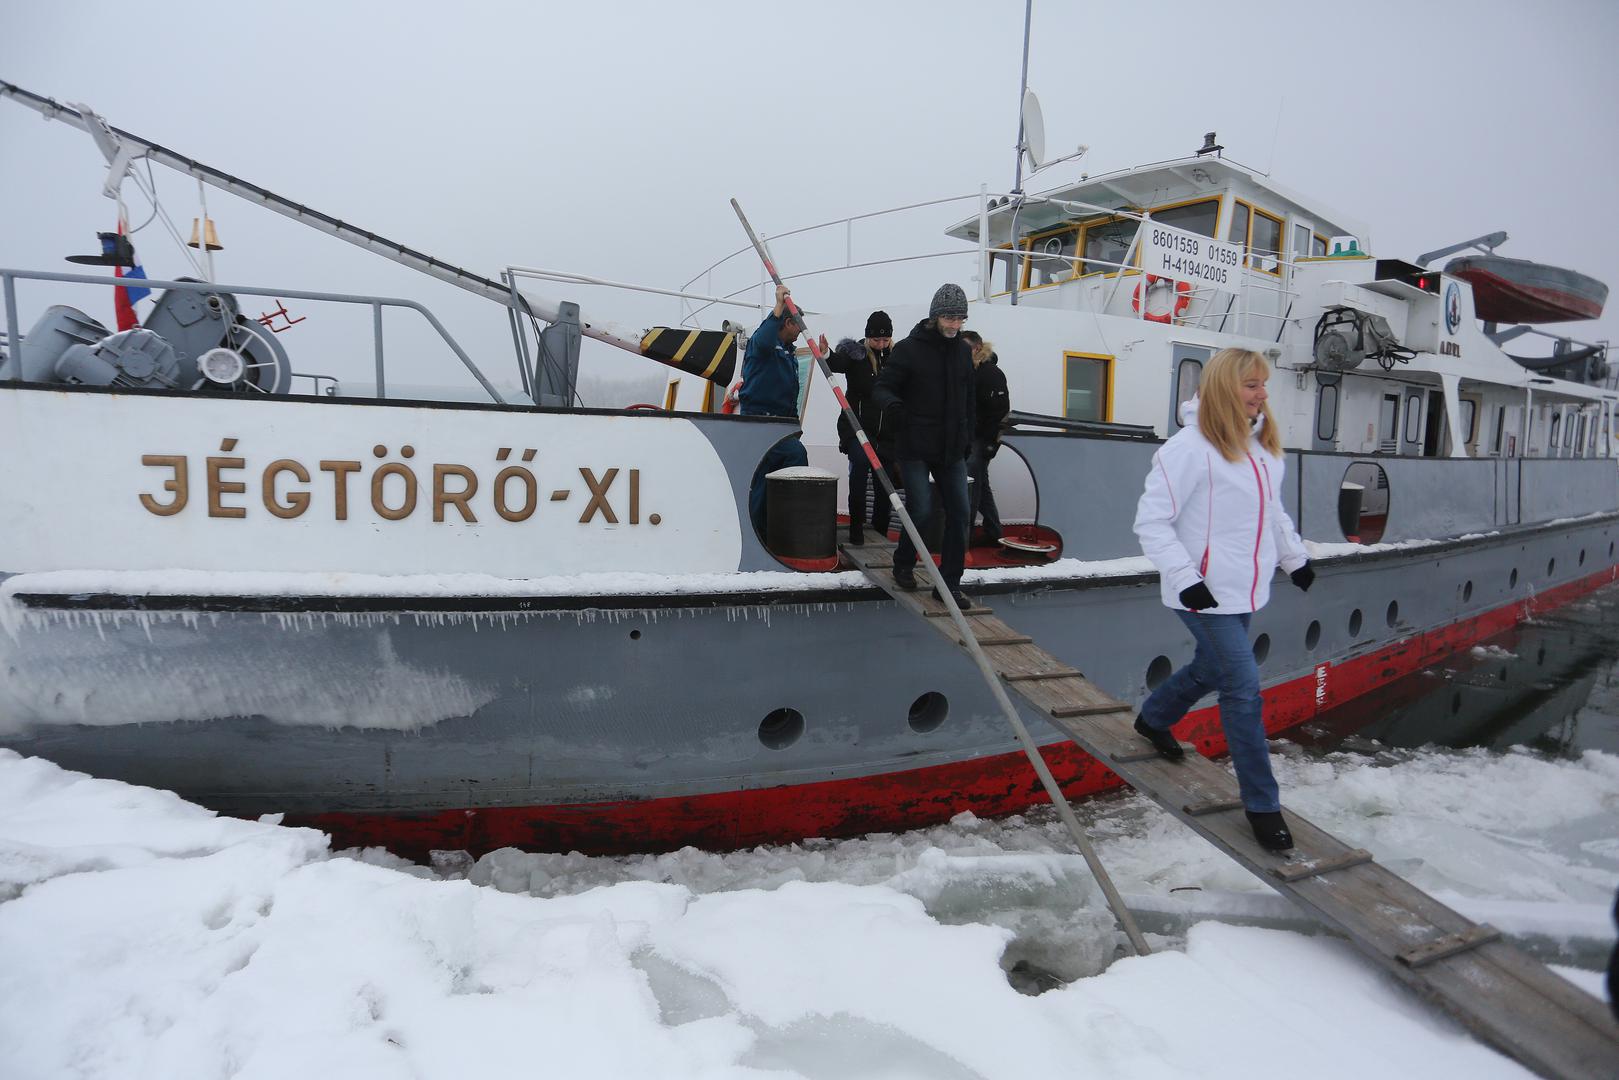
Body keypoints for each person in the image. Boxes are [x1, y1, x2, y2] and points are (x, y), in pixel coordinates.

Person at [1130, 347, 1314, 852]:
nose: (1262, 394)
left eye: (1263, 384)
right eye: (1251, 384)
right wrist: (1185, 575)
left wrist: (1293, 559)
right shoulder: (1188, 449)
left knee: (1213, 669)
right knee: (1242, 687)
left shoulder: (1262, 448)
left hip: (1246, 588)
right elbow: (1152, 521)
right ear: (1224, 389)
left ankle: (1154, 718)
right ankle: (1262, 805)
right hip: (1201, 591)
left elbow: (1273, 514)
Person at [872, 283, 976, 608]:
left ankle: (949, 584)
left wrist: (967, 437)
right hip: (915, 443)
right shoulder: (908, 349)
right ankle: (904, 564)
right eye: (948, 317)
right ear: (934, 316)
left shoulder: (962, 351)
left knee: (960, 513)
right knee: (921, 508)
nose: (954, 325)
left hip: (951, 448)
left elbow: (967, 399)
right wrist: (894, 407)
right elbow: (882, 387)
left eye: (959, 318)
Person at [740, 284, 808, 537]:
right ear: (787, 322)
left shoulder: (788, 352)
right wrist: (777, 307)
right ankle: (772, 529)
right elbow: (766, 338)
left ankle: (763, 530)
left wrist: (794, 425)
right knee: (794, 459)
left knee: (764, 477)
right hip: (760, 423)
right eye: (797, 327)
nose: (800, 333)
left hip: (781, 424)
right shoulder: (763, 344)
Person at [827, 311, 896, 545]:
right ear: (868, 338)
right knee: (859, 472)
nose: (881, 344)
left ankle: (880, 530)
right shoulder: (856, 355)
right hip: (858, 429)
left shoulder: (895, 358)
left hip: (886, 434)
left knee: (884, 484)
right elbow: (837, 363)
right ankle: (856, 528)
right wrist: (826, 353)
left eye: (885, 340)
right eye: (876, 340)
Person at [961, 330, 1009, 546]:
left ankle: (965, 537)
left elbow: (1000, 412)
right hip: (969, 438)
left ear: (977, 348)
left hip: (980, 440)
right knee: (980, 485)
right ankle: (994, 532)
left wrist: (991, 444)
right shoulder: (968, 370)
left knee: (970, 487)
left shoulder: (990, 373)